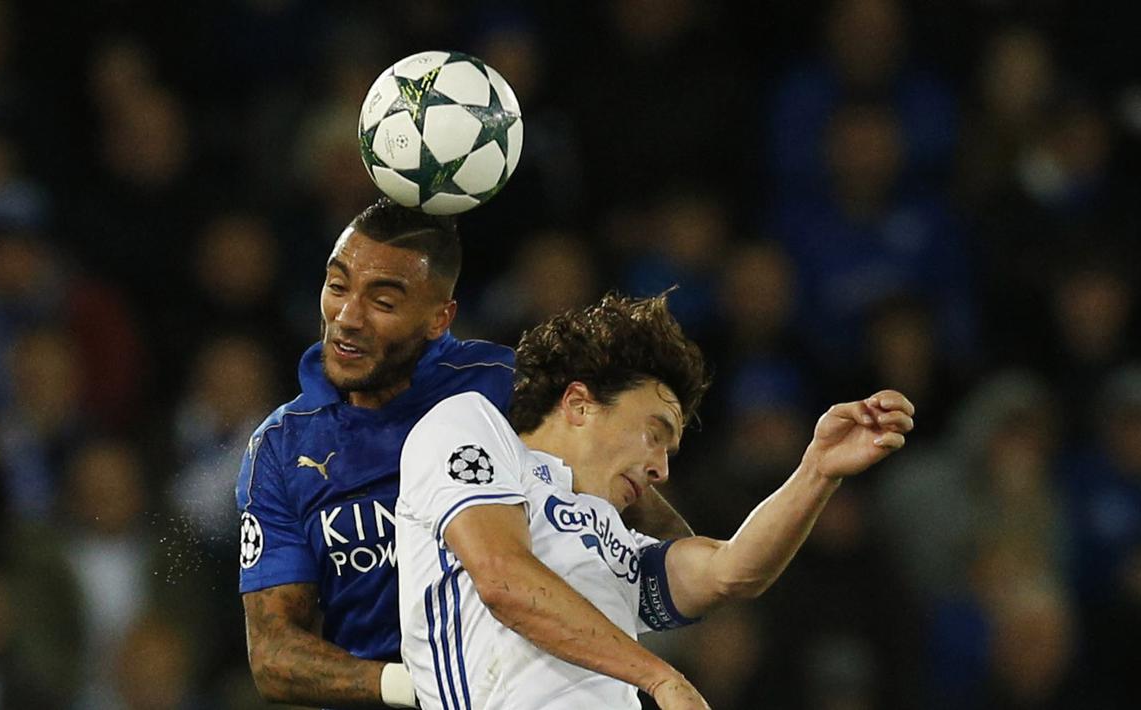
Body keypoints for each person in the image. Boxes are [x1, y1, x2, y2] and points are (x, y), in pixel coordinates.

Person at [236, 199, 690, 708]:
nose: (348, 317)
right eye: (337, 287)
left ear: (439, 319)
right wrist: (417, 688)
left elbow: (658, 536)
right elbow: (274, 655)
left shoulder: (502, 388)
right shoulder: (281, 446)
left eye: (382, 303)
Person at [396, 293, 915, 709]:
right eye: (654, 432)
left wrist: (818, 471)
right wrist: (660, 679)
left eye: (671, 452)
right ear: (579, 404)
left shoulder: (617, 544)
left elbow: (732, 572)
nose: (662, 469)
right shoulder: (472, 427)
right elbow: (503, 580)